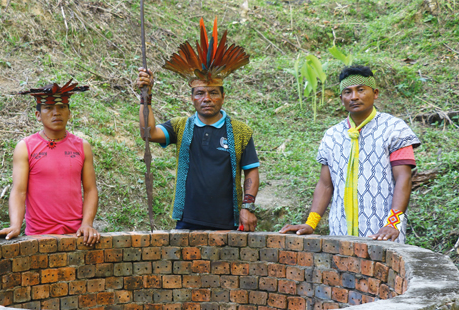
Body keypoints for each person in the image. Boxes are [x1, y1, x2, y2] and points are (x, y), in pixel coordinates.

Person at [135, 18, 260, 231]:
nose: (207, 98)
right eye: (200, 93)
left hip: (228, 222)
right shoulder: (180, 126)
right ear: (192, 98)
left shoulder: (240, 132)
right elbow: (149, 133)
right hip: (187, 221)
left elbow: (251, 171)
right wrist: (146, 95)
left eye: (213, 92)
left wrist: (247, 206)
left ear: (223, 96)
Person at [280, 65, 421, 243]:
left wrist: (393, 223)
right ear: (341, 98)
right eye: (347, 92)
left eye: (360, 90)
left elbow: (404, 178)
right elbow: (325, 184)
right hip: (341, 234)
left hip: (383, 232)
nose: (354, 96)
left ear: (375, 93)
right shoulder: (332, 135)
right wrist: (311, 223)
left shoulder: (394, 129)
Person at [0, 80, 101, 245]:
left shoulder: (82, 147)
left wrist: (87, 224)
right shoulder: (26, 147)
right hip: (37, 237)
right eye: (48, 108)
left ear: (69, 113)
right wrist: (15, 225)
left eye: (62, 107)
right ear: (38, 115)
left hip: (76, 236)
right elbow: (19, 191)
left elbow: (90, 190)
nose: (56, 113)